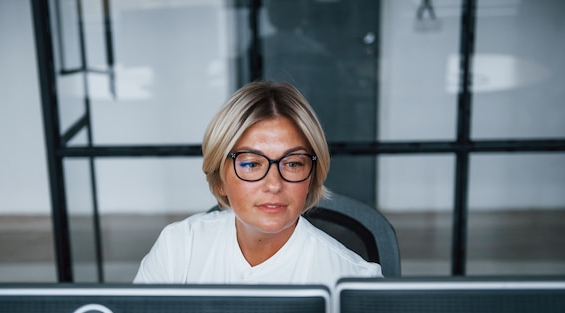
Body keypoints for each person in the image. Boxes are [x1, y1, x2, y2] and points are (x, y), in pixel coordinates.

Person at [133, 80, 382, 287]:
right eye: (252, 164)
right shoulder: (179, 248)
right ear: (220, 180)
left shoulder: (354, 280)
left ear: (311, 178)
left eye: (293, 163)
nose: (274, 184)